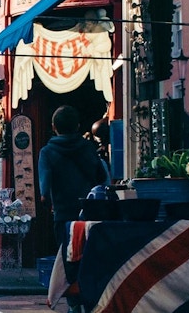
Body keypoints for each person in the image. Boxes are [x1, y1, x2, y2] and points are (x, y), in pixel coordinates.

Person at [38, 105, 110, 313]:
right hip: (89, 214)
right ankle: (89, 301)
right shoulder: (88, 148)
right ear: (78, 126)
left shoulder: (47, 152)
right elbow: (102, 178)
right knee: (89, 258)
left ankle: (74, 305)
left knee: (68, 262)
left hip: (63, 215)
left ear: (53, 127)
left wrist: (50, 204)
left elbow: (44, 190)